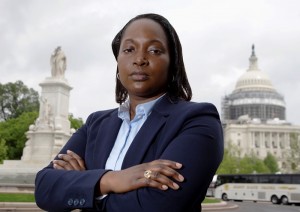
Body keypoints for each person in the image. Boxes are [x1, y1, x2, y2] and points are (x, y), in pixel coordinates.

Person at [35, 13, 223, 212]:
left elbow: (159, 206)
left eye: (154, 50)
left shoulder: (198, 120)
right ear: (118, 61)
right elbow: (45, 188)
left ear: (173, 62)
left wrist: (84, 187)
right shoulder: (96, 124)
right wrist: (112, 180)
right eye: (129, 49)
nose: (140, 59)